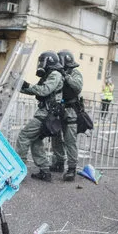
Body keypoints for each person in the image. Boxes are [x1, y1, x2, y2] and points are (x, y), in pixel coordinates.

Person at [16, 51, 64, 182]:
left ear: (48, 61)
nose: (40, 64)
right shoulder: (50, 74)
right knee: (36, 140)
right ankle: (45, 171)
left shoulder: (55, 74)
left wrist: (26, 85)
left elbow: (44, 90)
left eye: (42, 61)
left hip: (46, 114)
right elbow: (37, 89)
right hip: (46, 112)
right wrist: (20, 86)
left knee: (24, 136)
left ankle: (18, 169)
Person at [50, 50, 83, 181]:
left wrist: (66, 76)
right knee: (56, 137)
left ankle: (72, 169)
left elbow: (77, 87)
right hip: (59, 110)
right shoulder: (58, 74)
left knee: (70, 141)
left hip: (71, 111)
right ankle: (59, 163)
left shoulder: (75, 73)